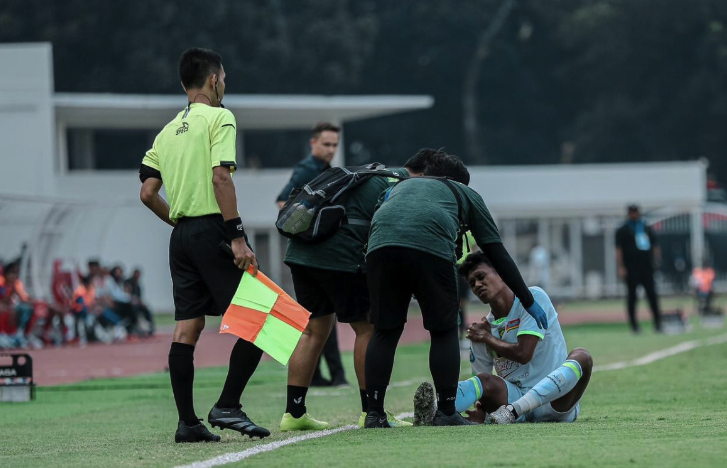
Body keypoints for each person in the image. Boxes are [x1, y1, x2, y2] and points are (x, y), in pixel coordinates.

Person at [138, 47, 269, 443]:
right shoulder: (220, 117)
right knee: (259, 320)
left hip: (180, 237)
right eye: (224, 78)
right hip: (214, 230)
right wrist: (237, 237)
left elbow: (147, 193)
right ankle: (228, 404)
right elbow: (221, 179)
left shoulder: (165, 132)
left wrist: (178, 221)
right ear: (214, 80)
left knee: (187, 327)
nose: (224, 85)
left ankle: (187, 423)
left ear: (184, 83)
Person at [363, 154, 549, 428]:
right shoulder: (464, 192)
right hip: (431, 251)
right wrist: (527, 298)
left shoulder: (398, 187)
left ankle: (374, 413)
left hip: (379, 251)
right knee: (444, 330)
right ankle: (447, 412)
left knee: (385, 330)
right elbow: (496, 252)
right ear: (460, 181)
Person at [280, 149, 438, 432]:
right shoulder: (397, 185)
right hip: (339, 257)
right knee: (366, 329)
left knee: (313, 331)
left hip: (301, 254)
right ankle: (371, 412)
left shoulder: (371, 172)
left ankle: (293, 413)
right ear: (424, 176)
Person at [413, 251, 593, 425]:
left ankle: (515, 410)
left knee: (582, 357)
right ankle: (434, 412)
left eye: (481, 276)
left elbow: (524, 354)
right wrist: (481, 412)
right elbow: (481, 382)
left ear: (501, 273)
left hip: (554, 401)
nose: (477, 285)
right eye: (472, 282)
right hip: (510, 403)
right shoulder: (483, 329)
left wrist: (487, 338)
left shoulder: (532, 298)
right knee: (483, 380)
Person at [276, 122, 347, 388]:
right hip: (312, 253)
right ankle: (331, 376)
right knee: (321, 318)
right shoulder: (308, 169)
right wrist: (312, 226)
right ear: (313, 143)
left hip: (319, 253)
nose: (331, 150)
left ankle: (322, 376)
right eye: (327, 144)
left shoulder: (326, 170)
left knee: (320, 317)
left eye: (335, 145)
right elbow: (283, 202)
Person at [615, 205, 662, 333]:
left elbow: (655, 246)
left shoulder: (646, 228)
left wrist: (656, 261)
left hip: (647, 267)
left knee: (652, 295)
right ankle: (634, 326)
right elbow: (618, 250)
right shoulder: (623, 230)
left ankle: (658, 324)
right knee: (632, 297)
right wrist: (621, 267)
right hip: (631, 269)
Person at [125, 268, 156, 336]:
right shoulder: (127, 282)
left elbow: (139, 298)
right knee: (134, 309)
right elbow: (126, 294)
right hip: (128, 304)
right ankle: (136, 326)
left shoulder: (138, 286)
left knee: (146, 309)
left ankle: (151, 327)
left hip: (136, 303)